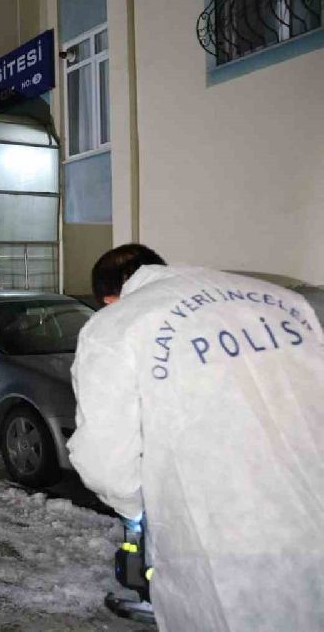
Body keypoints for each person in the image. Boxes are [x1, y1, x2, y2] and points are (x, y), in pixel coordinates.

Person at [67, 244, 324, 631]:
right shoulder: (284, 301)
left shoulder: (116, 326)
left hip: (223, 536)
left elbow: (104, 462)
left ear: (109, 298)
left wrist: (137, 510)